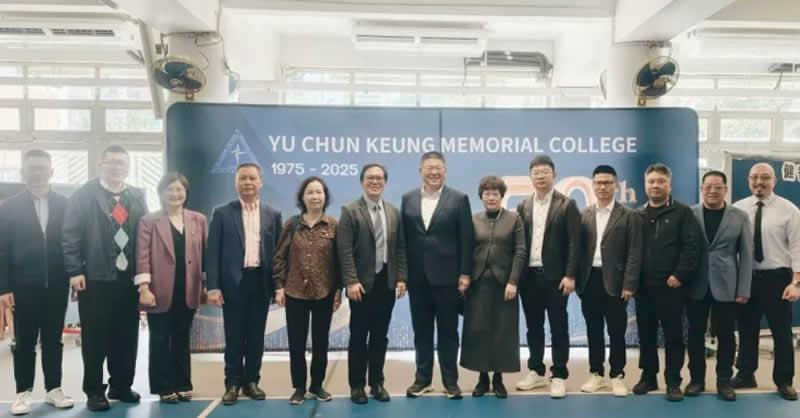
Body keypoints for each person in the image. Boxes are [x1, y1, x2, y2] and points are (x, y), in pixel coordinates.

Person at [63, 145, 148, 411]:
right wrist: (74, 270)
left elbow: (145, 236)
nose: (117, 167)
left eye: (122, 162)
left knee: (126, 337)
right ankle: (94, 391)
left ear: (128, 166)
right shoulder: (84, 194)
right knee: (95, 339)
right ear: (101, 164)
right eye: (112, 162)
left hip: (128, 280)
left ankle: (121, 385)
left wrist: (145, 276)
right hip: (95, 278)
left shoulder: (137, 195)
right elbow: (70, 234)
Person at [0, 150, 74, 415]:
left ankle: (54, 389)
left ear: (51, 171)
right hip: (22, 286)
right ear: (23, 172)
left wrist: (74, 274)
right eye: (32, 168)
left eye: (42, 168)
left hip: (57, 284)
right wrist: (3, 288)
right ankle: (23, 393)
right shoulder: (9, 207)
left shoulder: (65, 204)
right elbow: (1, 250)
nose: (38, 172)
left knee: (54, 340)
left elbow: (72, 242)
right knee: (24, 342)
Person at [207, 162, 282, 406]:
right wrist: (213, 287)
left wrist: (279, 286)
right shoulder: (222, 213)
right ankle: (232, 384)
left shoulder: (273, 214)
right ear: (235, 183)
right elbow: (212, 252)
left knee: (256, 337)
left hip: (261, 283)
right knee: (234, 337)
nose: (247, 183)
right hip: (232, 284)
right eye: (242, 178)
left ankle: (252, 382)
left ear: (261, 182)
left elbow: (279, 255)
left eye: (252, 178)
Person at [401, 151, 473, 400]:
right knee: (421, 332)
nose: (434, 172)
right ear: (420, 170)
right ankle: (422, 380)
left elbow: (466, 239)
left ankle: (450, 382)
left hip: (448, 279)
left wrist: (465, 273)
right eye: (429, 168)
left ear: (445, 171)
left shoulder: (459, 199)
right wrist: (403, 275)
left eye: (438, 168)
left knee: (448, 332)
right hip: (417, 279)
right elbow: (403, 241)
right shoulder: (408, 199)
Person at [337, 164, 407, 405]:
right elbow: (344, 250)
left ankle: (377, 383)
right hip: (361, 286)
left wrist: (401, 277)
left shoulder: (394, 212)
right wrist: (351, 281)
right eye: (370, 178)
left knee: (380, 336)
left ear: (385, 182)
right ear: (362, 182)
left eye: (379, 178)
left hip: (386, 283)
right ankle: (356, 386)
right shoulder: (350, 210)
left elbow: (400, 248)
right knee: (358, 336)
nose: (375, 181)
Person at [135, 172, 208, 403]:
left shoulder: (198, 219)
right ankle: (163, 387)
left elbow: (205, 255)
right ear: (161, 193)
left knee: (182, 339)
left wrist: (206, 285)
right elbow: (142, 255)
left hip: (188, 290)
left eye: (179, 189)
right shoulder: (148, 221)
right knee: (159, 341)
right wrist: (144, 288)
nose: (175, 194)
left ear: (186, 193)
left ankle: (183, 384)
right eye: (170, 189)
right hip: (158, 291)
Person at [515, 155, 581, 399]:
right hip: (528, 277)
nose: (540, 176)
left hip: (556, 278)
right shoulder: (523, 205)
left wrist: (570, 275)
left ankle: (559, 374)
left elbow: (575, 243)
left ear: (554, 175)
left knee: (558, 327)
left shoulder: (567, 204)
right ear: (530, 176)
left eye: (545, 172)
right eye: (536, 172)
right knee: (534, 327)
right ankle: (535, 370)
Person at [732, 162, 800, 401]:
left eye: (765, 178)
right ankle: (745, 374)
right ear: (749, 180)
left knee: (781, 332)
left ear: (774, 181)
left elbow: (798, 247)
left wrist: (796, 283)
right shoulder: (738, 209)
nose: (759, 182)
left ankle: (784, 380)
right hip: (746, 277)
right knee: (746, 329)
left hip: (778, 279)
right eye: (754, 178)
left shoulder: (789, 210)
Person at [273, 176, 343, 405]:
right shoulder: (292, 224)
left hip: (325, 292)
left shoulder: (333, 225)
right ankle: (299, 388)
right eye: (310, 192)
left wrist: (338, 290)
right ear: (302, 197)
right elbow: (279, 257)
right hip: (295, 293)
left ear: (325, 197)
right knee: (297, 343)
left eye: (319, 192)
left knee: (321, 342)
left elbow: (340, 261)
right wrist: (279, 286)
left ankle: (317, 386)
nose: (315, 196)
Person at [633, 163, 699, 402]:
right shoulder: (637, 215)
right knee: (646, 335)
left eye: (661, 181)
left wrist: (679, 275)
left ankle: (673, 381)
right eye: (651, 181)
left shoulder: (683, 212)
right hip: (644, 288)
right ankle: (648, 377)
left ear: (669, 185)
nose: (656, 185)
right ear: (645, 185)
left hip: (672, 287)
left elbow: (691, 247)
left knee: (673, 337)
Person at [576, 165, 642, 397]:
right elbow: (577, 250)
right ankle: (596, 373)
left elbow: (634, 252)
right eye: (598, 183)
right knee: (593, 330)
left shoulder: (629, 215)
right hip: (589, 280)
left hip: (616, 282)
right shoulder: (583, 215)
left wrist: (629, 284)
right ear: (593, 185)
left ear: (615, 185)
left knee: (616, 331)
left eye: (607, 182)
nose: (602, 187)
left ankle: (617, 375)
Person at [686, 170, 752, 401]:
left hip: (727, 285)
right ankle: (696, 380)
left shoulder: (740, 216)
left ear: (725, 189)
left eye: (717, 187)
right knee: (694, 335)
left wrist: (743, 289)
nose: (712, 191)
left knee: (726, 336)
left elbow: (747, 255)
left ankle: (724, 381)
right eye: (708, 187)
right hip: (695, 284)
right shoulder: (689, 213)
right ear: (701, 188)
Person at [460, 176, 525, 399]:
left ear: (501, 196)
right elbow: (466, 250)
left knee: (502, 332)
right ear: (481, 197)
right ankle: (482, 378)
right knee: (478, 331)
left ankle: (498, 378)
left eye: (495, 193)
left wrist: (513, 281)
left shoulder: (514, 219)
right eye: (486, 194)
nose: (490, 197)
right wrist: (464, 277)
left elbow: (520, 251)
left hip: (504, 285)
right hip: (477, 285)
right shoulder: (473, 219)